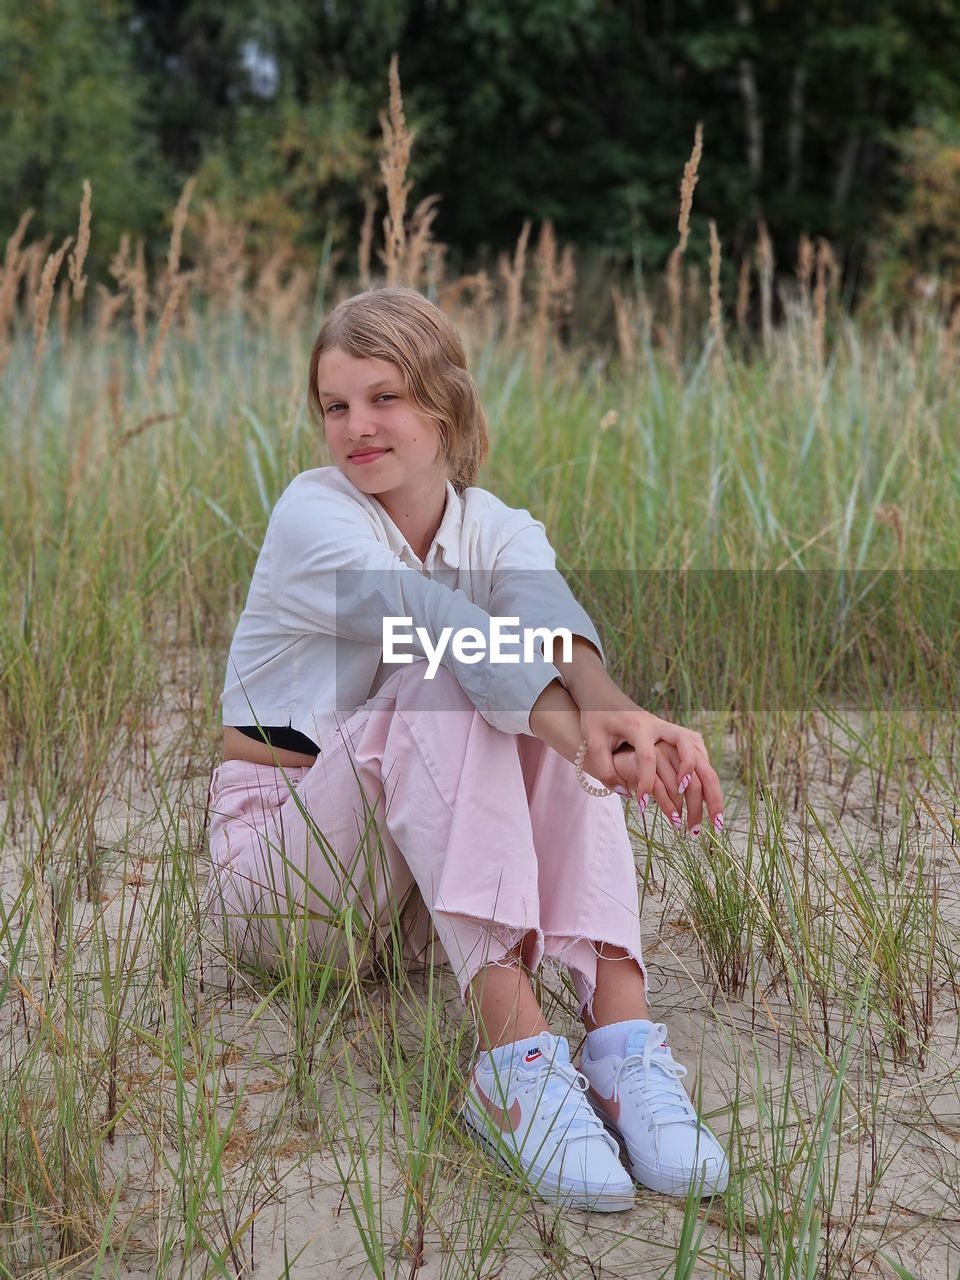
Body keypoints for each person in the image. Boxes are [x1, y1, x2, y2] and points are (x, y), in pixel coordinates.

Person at [204, 286, 729, 1213]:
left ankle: (620, 1046)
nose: (356, 427)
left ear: (445, 402)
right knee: (450, 678)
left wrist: (621, 716)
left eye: (384, 397)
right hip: (286, 891)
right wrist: (585, 743)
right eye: (335, 405)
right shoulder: (312, 517)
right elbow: (434, 627)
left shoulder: (494, 526)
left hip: (415, 899)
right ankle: (515, 1064)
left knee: (524, 694)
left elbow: (555, 625)